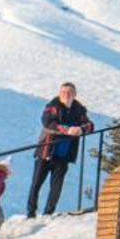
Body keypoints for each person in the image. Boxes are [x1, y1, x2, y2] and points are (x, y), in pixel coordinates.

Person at [27, 82, 93, 218]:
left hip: (64, 155)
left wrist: (81, 129)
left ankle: (48, 213)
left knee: (56, 187)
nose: (65, 95)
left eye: (69, 92)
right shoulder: (52, 106)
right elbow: (48, 123)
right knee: (36, 184)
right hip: (46, 152)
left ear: (74, 94)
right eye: (63, 92)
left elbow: (90, 125)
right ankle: (31, 213)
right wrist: (67, 130)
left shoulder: (79, 110)